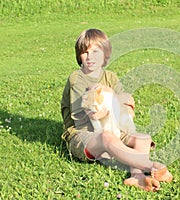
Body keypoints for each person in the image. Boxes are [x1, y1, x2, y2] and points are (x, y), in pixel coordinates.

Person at [61, 28, 173, 192]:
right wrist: (112, 104)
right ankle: (153, 166)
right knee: (107, 137)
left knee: (142, 138)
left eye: (95, 52)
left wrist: (126, 106)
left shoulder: (110, 77)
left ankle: (137, 176)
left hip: (110, 126)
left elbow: (122, 104)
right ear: (79, 56)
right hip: (83, 133)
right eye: (85, 52)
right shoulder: (77, 79)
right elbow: (91, 113)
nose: (90, 57)